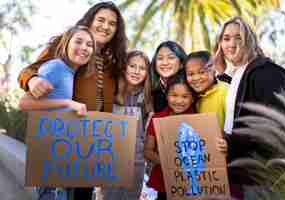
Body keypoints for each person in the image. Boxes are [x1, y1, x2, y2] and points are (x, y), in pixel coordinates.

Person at [17, 2, 127, 199]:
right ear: (90, 20)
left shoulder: (115, 61)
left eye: (112, 23)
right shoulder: (71, 45)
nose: (105, 26)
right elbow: (32, 70)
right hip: (66, 140)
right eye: (100, 20)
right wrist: (32, 80)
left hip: (94, 145)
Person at [213, 16, 285, 199]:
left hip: (260, 175)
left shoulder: (267, 73)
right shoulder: (242, 72)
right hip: (241, 171)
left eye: (238, 38)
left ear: (250, 41)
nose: (231, 44)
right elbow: (242, 99)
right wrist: (222, 73)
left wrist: (231, 142)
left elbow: (270, 125)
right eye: (226, 39)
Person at [19, 25, 96, 200]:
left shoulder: (71, 73)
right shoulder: (56, 67)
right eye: (78, 41)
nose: (84, 47)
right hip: (49, 159)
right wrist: (68, 103)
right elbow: (24, 102)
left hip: (62, 158)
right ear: (66, 43)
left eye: (89, 44)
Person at [97, 50, 152, 200]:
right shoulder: (111, 93)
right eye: (132, 66)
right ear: (124, 68)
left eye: (142, 68)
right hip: (110, 160)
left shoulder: (147, 98)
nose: (136, 71)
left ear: (147, 73)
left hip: (136, 163)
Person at [144, 70, 195, 200]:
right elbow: (147, 151)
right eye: (174, 95)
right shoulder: (158, 118)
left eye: (185, 96)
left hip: (191, 181)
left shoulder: (198, 120)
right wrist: (168, 163)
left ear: (193, 98)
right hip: (164, 179)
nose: (179, 101)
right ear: (166, 96)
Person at [184, 51, 228, 130]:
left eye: (201, 72)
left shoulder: (225, 92)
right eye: (190, 74)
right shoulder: (193, 96)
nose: (196, 78)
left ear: (213, 70)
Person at [150, 41, 187, 112]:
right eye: (160, 58)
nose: (165, 63)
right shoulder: (150, 91)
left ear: (181, 63)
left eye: (171, 57)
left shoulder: (191, 87)